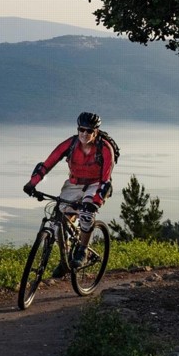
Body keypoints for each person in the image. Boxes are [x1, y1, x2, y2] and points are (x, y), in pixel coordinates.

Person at [22, 112, 114, 274]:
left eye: (89, 131)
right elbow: (48, 164)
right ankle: (65, 261)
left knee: (86, 215)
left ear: (96, 132)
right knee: (58, 223)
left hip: (96, 184)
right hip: (73, 184)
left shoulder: (105, 148)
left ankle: (82, 250)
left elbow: (106, 179)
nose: (84, 134)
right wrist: (32, 184)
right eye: (81, 129)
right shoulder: (70, 144)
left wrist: (96, 202)